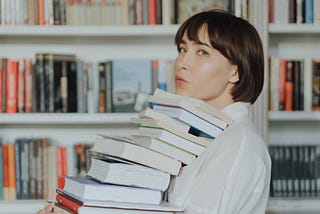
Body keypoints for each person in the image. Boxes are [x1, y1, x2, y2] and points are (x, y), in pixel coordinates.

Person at [38, 9, 271, 214]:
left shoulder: (236, 142)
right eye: (182, 49)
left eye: (202, 52)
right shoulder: (198, 135)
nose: (182, 62)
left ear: (235, 73)